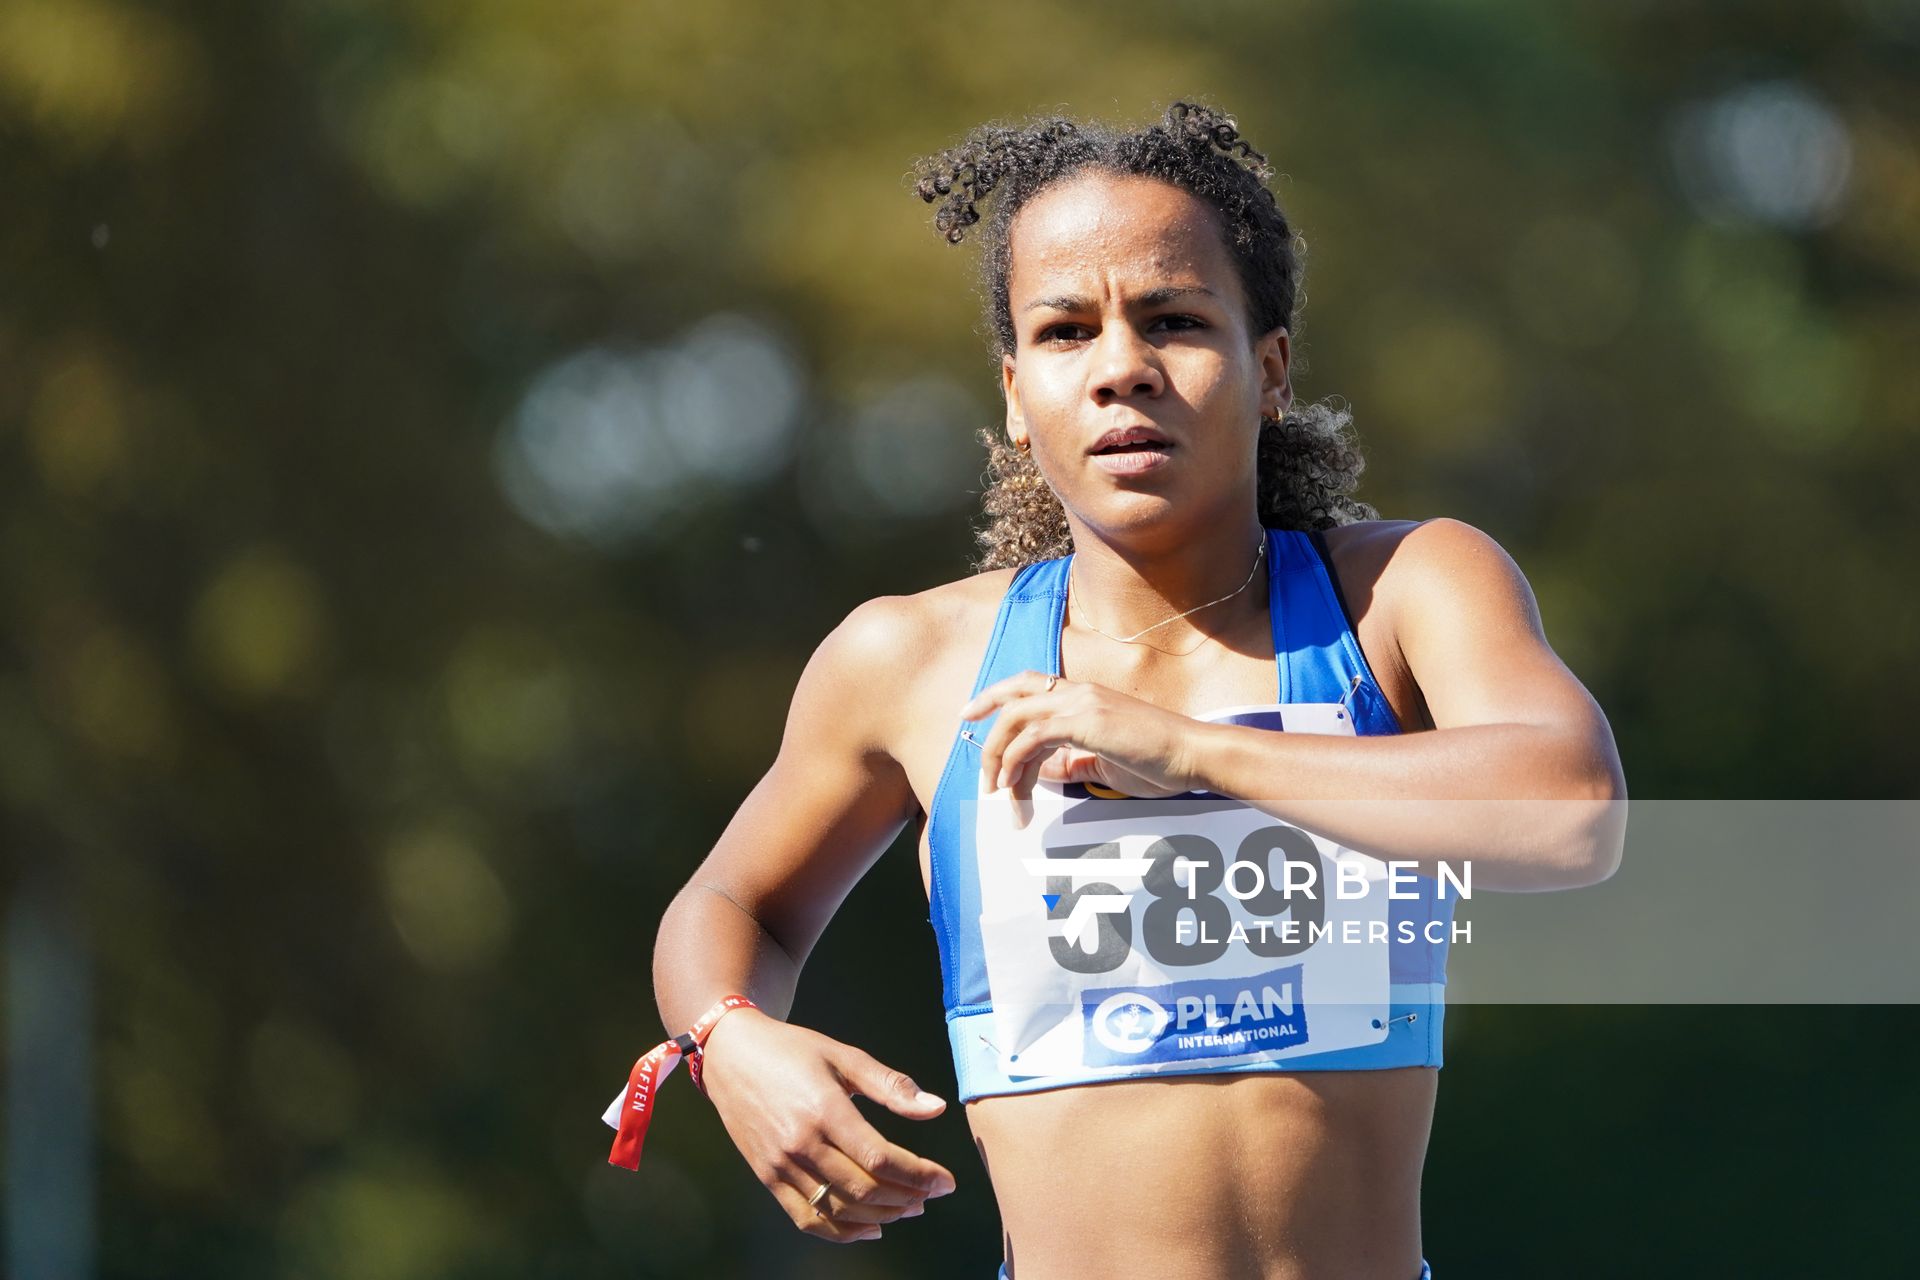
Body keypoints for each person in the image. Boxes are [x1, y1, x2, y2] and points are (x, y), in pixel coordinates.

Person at [620, 101, 1627, 1279]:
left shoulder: (1403, 593)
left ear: (1273, 365)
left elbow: (1573, 810)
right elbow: (734, 905)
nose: (1120, 370)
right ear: (1012, 392)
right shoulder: (912, 659)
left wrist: (1191, 748)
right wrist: (730, 1041)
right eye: (1063, 331)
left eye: (1175, 319)